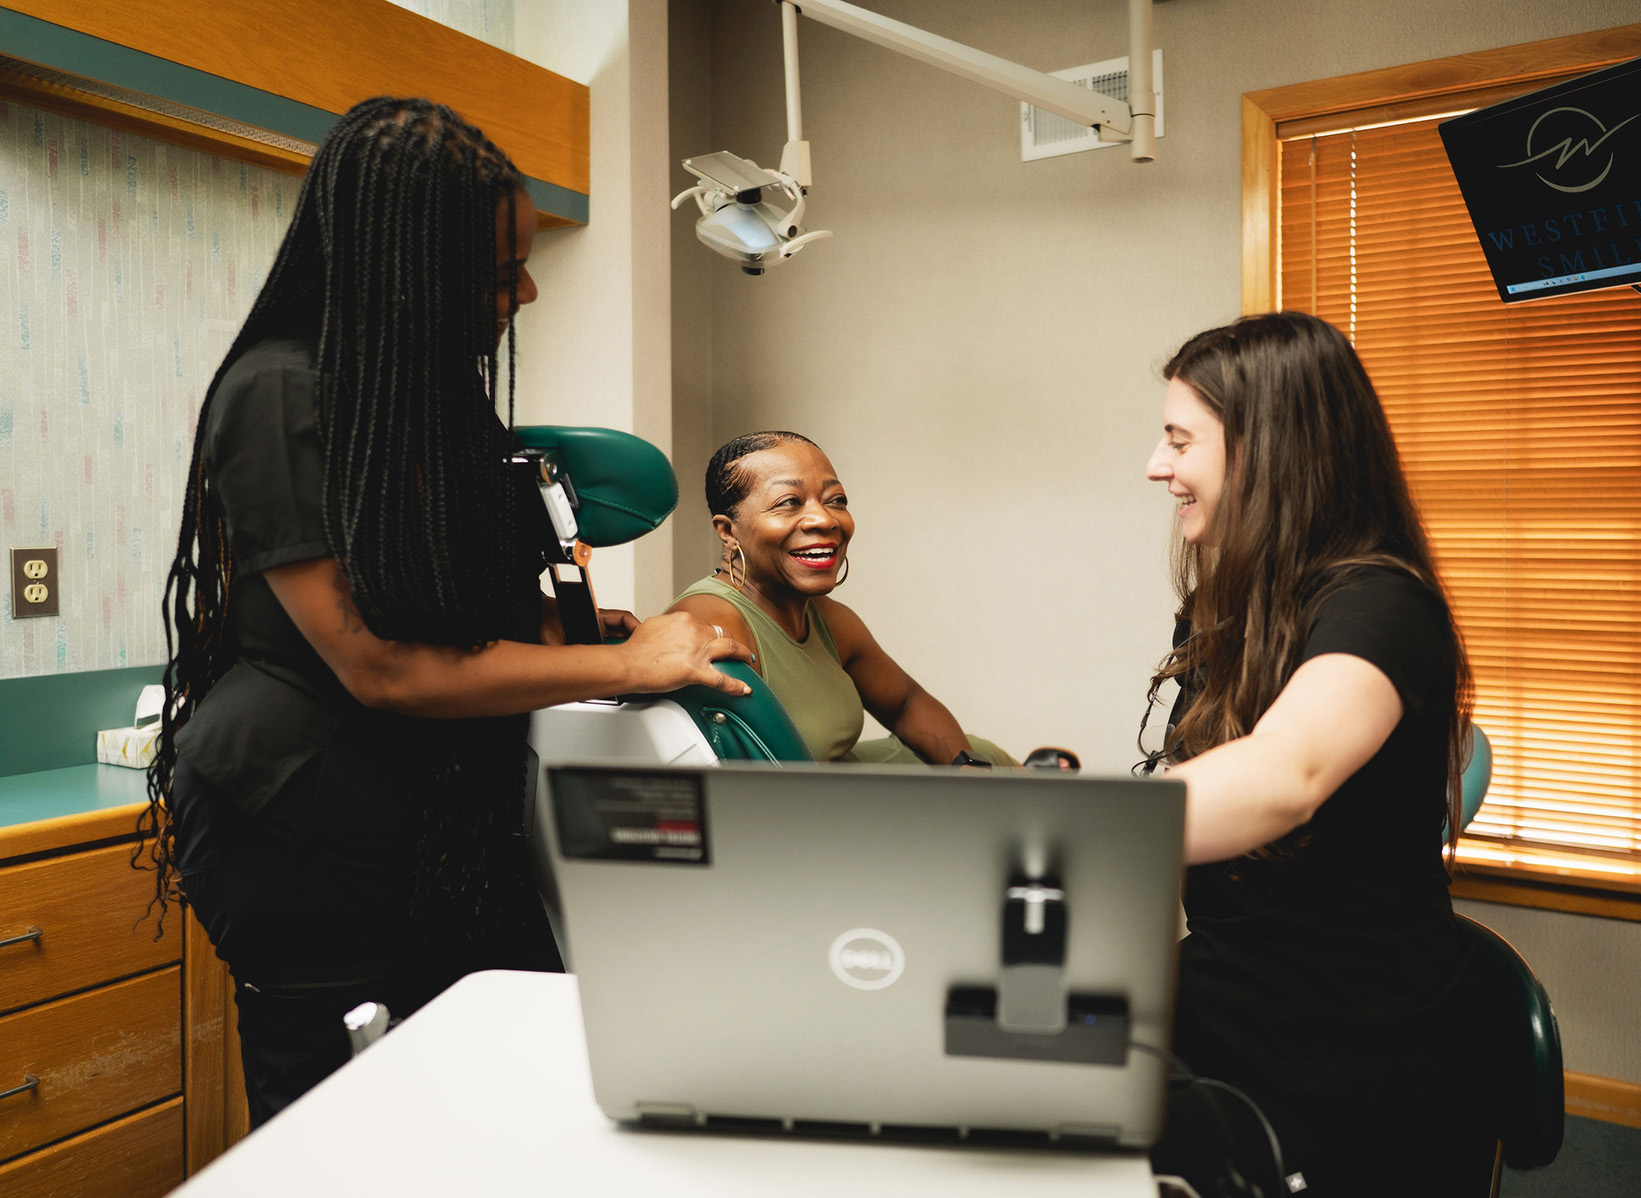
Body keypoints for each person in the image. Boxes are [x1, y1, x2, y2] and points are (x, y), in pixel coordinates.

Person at [142, 97, 751, 1126]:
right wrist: (629, 667)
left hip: (435, 817)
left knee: (490, 1099)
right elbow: (386, 663)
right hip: (300, 824)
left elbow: (441, 604)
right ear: (401, 271)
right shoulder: (280, 392)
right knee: (352, 1131)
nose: (527, 287)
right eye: (496, 268)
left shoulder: (419, 393)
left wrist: (589, 632)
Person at [1139, 313, 1490, 1196]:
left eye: (1181, 440)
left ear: (1266, 450)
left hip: (1348, 1044)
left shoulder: (1381, 608)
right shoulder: (1240, 604)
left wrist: (1064, 835)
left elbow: (1283, 775)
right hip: (1234, 993)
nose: (1156, 466)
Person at [668, 431, 1014, 766]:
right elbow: (763, 786)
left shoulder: (830, 619)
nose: (825, 519)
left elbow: (905, 703)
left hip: (836, 788)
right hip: (804, 810)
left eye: (836, 501)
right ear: (728, 531)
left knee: (988, 757)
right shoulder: (712, 623)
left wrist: (968, 768)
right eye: (789, 503)